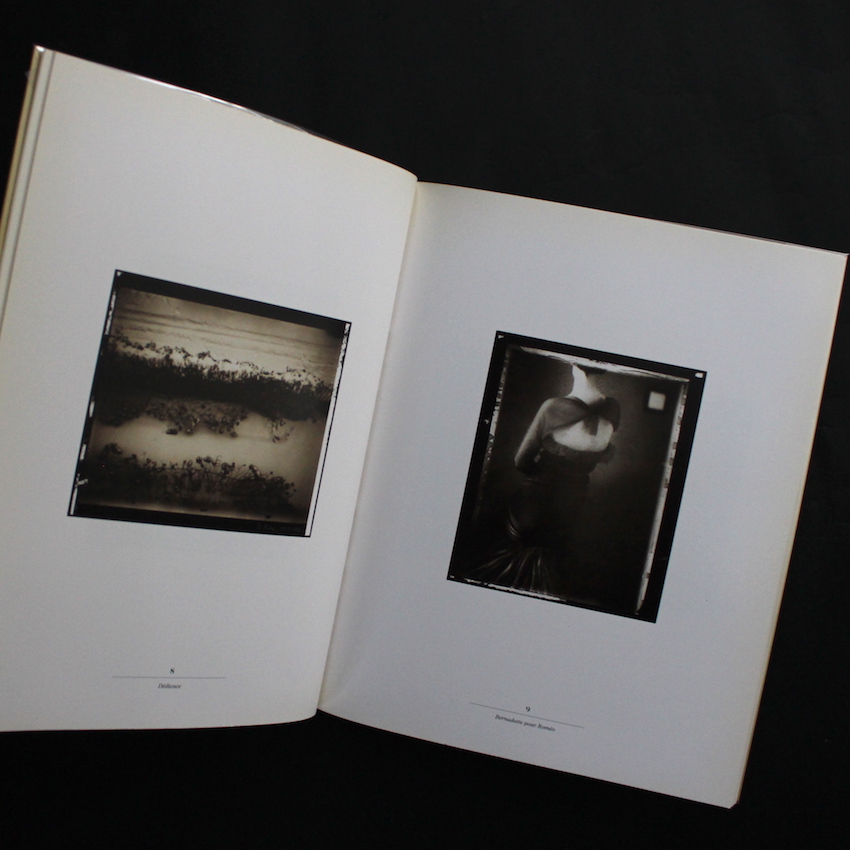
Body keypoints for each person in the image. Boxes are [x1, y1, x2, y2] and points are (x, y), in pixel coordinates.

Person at [475, 364, 620, 597]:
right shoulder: (613, 410)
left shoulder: (553, 407)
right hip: (572, 503)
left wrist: (538, 473)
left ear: (576, 368)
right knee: (551, 557)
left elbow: (521, 460)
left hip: (535, 502)